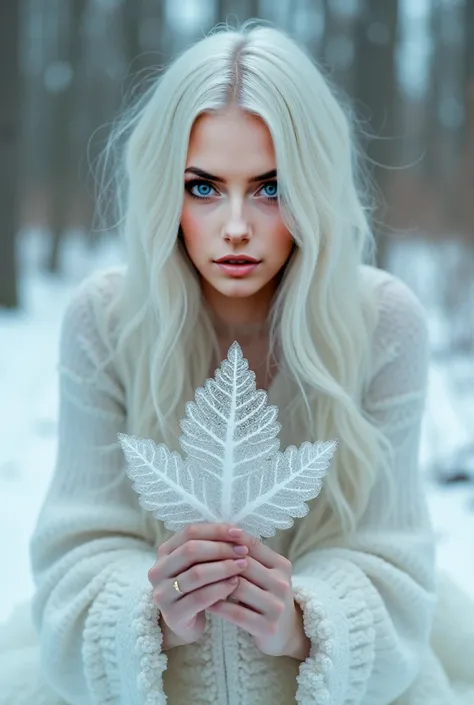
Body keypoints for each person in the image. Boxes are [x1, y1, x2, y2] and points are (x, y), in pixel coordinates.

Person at [1, 21, 473, 705]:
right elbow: (78, 551)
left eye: (270, 186)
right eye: (203, 187)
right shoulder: (106, 320)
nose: (235, 226)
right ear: (166, 188)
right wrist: (152, 614)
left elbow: (391, 560)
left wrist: (304, 622)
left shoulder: (380, 323)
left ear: (314, 187)